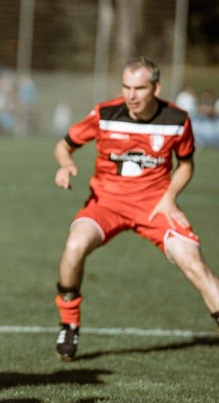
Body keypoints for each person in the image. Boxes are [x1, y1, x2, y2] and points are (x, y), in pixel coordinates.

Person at [52, 57, 219, 362]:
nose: (131, 95)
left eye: (139, 88)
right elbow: (64, 146)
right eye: (126, 87)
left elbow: (186, 165)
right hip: (106, 204)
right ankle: (69, 323)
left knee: (193, 261)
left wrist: (169, 197)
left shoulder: (177, 119)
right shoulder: (105, 114)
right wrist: (65, 165)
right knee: (74, 246)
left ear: (156, 88)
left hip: (155, 206)